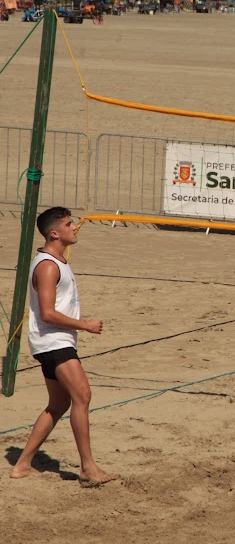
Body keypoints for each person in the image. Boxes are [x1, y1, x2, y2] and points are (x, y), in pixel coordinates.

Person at [10, 207, 116, 486]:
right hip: (53, 341)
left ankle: (22, 464)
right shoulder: (47, 266)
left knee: (58, 405)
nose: (75, 228)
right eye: (69, 224)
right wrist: (85, 325)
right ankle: (88, 468)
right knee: (82, 396)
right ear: (54, 233)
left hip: (53, 341)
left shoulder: (57, 261)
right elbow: (47, 313)